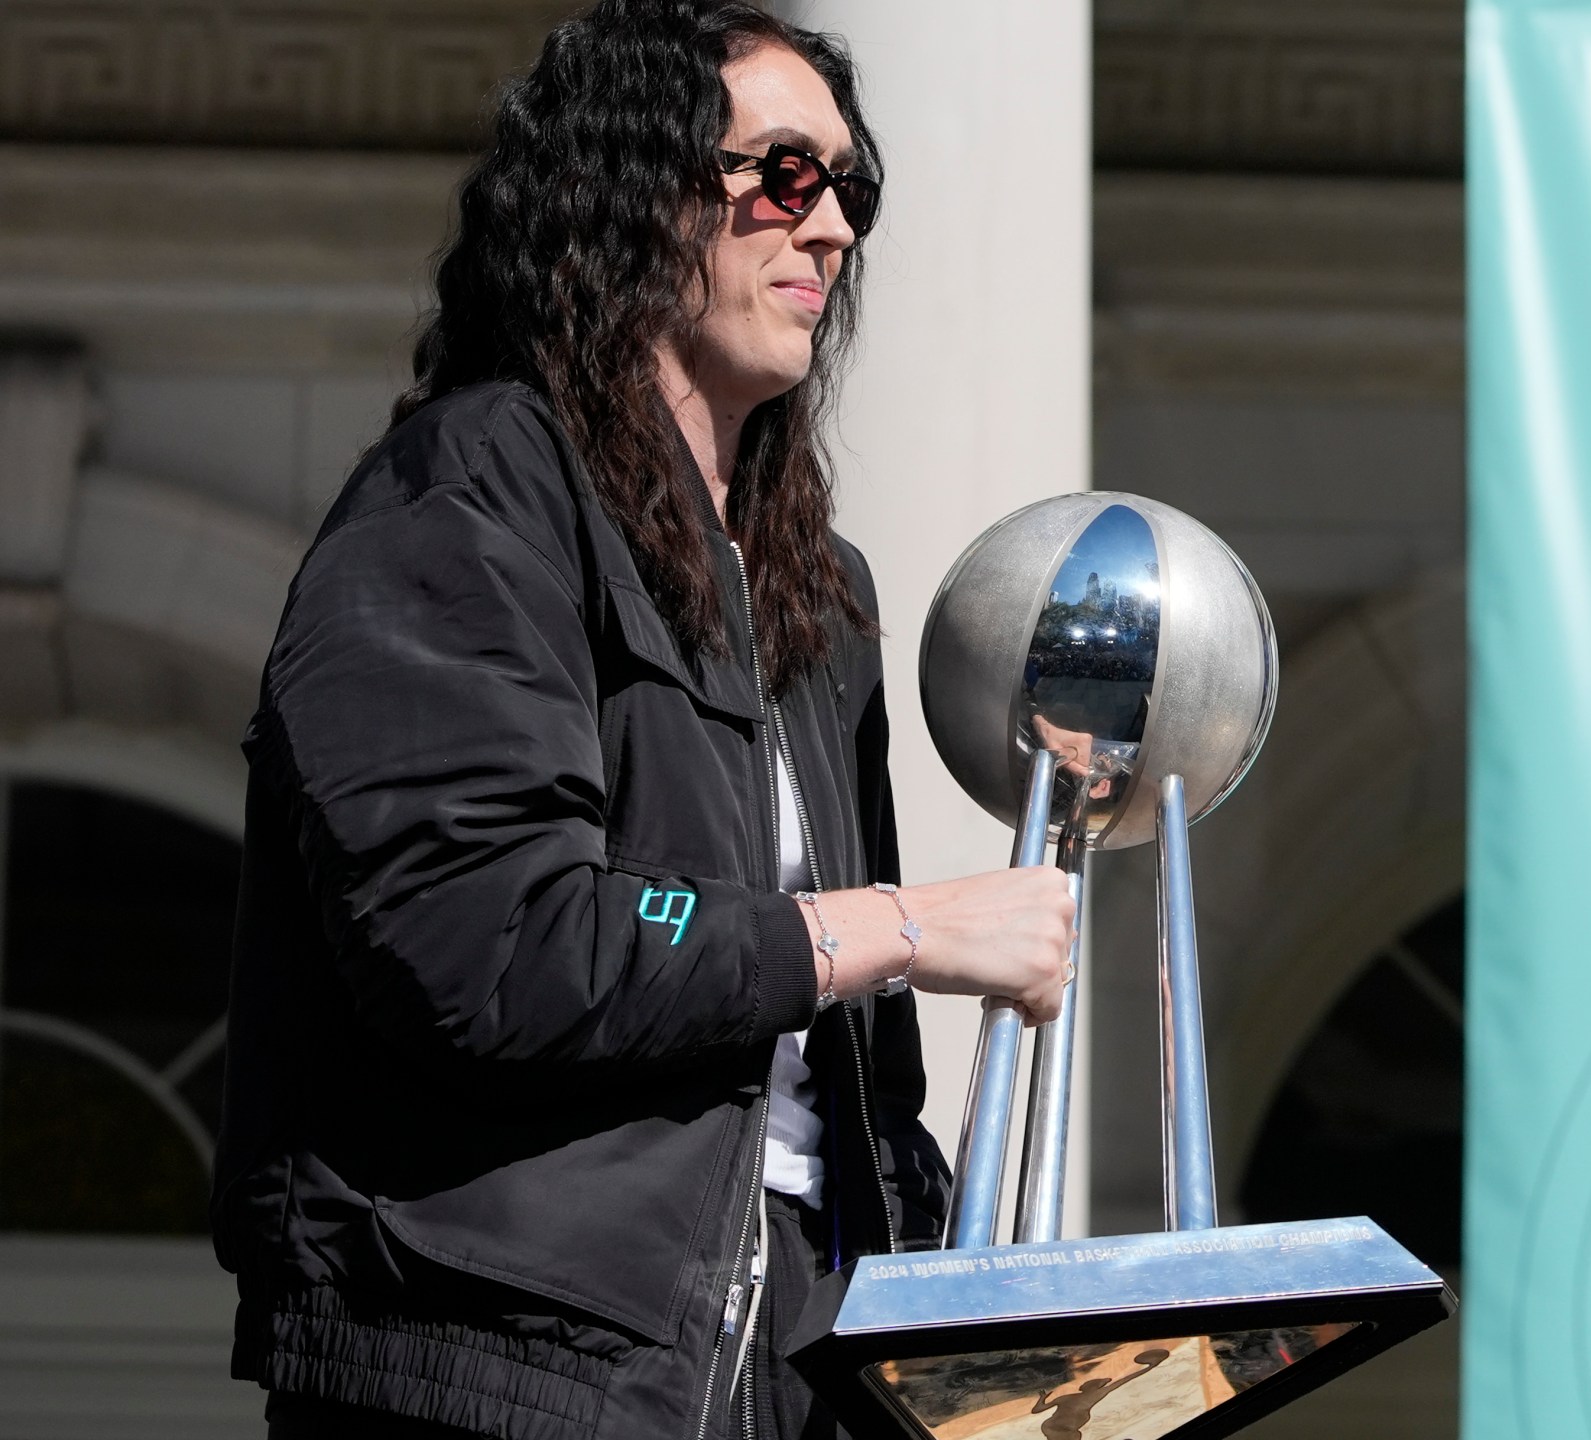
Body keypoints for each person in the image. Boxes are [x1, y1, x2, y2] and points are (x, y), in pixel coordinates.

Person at [211, 3, 1076, 1436]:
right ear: (634, 190)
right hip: (514, 1370)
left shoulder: (816, 591)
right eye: (785, 175)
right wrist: (901, 928)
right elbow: (495, 936)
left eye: (850, 189)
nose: (834, 230)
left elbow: (829, 1098)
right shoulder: (472, 496)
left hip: (784, 1365)